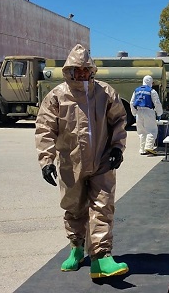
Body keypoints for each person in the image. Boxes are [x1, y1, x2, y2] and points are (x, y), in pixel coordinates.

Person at [35, 44, 129, 279]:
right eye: (78, 70)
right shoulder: (57, 96)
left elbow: (119, 120)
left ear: (92, 70)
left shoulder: (105, 93)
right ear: (69, 71)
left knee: (102, 206)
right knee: (73, 207)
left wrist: (117, 147)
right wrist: (47, 160)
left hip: (102, 161)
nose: (83, 74)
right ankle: (76, 248)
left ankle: (101, 257)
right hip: (70, 163)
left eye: (86, 69)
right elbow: (45, 128)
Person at [130, 75, 163, 155]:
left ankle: (142, 149)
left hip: (139, 112)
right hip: (148, 111)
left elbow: (131, 102)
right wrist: (159, 113)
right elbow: (157, 103)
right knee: (152, 130)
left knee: (141, 132)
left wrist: (134, 113)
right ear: (151, 82)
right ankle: (149, 146)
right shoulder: (152, 91)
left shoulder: (136, 90)